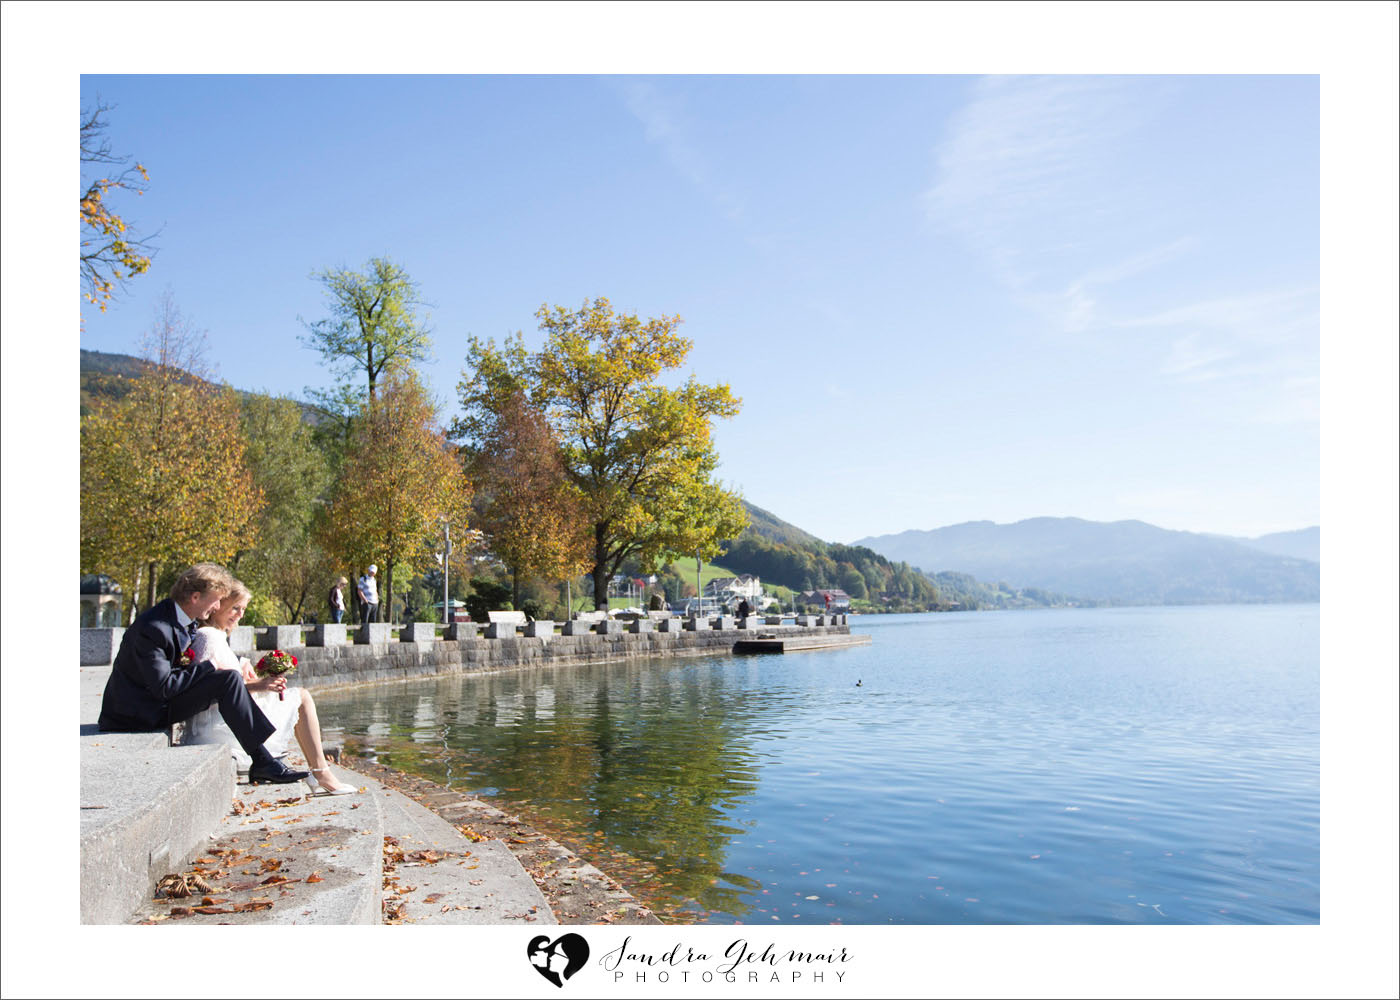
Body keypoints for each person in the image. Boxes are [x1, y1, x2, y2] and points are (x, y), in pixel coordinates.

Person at [97, 563, 307, 785]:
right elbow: (164, 687)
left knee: (229, 678)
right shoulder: (154, 627)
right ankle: (264, 760)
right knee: (226, 680)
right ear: (195, 597)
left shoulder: (177, 616)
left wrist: (239, 662)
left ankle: (263, 759)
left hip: (156, 702)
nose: (218, 607)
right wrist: (210, 666)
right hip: (137, 714)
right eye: (215, 600)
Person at [185, 579, 356, 795]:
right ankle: (321, 773)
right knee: (301, 697)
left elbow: (224, 678)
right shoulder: (208, 637)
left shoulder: (214, 636)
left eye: (243, 609)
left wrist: (243, 664)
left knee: (297, 697)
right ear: (218, 606)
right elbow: (210, 689)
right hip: (220, 725)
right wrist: (260, 685)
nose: (239, 615)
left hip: (224, 719)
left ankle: (319, 772)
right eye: (234, 608)